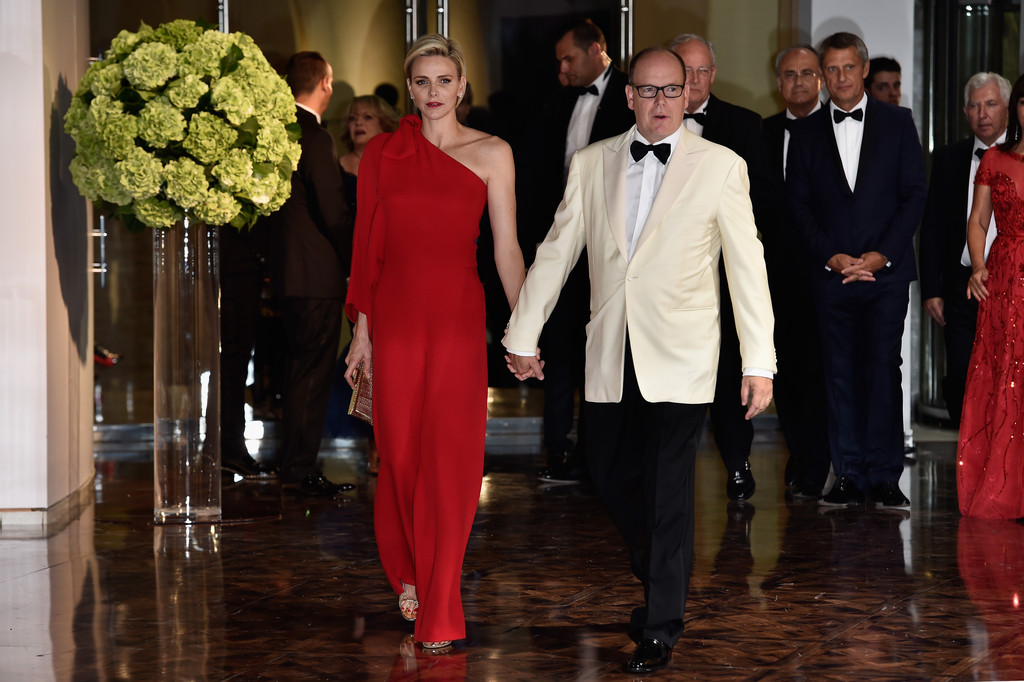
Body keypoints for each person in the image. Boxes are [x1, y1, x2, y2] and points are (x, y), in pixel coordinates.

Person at [504, 47, 775, 674]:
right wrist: (523, 334)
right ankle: (661, 574)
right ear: (628, 96)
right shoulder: (592, 161)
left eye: (671, 90)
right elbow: (557, 251)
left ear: (688, 94)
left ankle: (660, 624)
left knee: (668, 491)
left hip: (684, 356)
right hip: (610, 352)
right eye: (647, 91)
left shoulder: (721, 166)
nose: (660, 102)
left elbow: (748, 270)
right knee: (607, 474)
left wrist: (758, 362)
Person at [344, 34, 526, 650]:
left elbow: (506, 249)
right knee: (398, 457)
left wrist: (524, 327)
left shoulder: (492, 152)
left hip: (455, 317)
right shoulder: (383, 154)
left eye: (444, 80)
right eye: (421, 81)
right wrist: (361, 334)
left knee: (450, 460)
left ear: (462, 85)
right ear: (410, 87)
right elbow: (366, 250)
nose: (433, 92)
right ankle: (410, 570)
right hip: (394, 318)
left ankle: (441, 602)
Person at [786, 32, 926, 508]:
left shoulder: (898, 121)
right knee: (839, 372)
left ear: (864, 69)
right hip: (832, 275)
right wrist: (831, 256)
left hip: (886, 275)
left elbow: (914, 195)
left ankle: (885, 476)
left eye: (849, 67)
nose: (841, 77)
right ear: (823, 75)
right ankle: (846, 473)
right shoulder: (804, 132)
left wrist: (882, 255)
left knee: (884, 370)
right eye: (832, 69)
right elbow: (798, 205)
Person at [519, 18, 634, 484]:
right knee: (560, 346)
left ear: (595, 50)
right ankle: (557, 448)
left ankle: (599, 452)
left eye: (568, 59)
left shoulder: (632, 96)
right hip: (563, 242)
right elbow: (537, 173)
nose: (562, 69)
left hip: (611, 245)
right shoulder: (554, 101)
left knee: (603, 349)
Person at [671, 33, 780, 501]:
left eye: (702, 70)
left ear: (713, 75)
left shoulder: (744, 124)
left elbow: (763, 203)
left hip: (722, 273)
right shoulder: (646, 122)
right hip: (666, 279)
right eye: (685, 70)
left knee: (727, 374)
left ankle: (737, 463)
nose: (694, 79)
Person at [267, 51, 355, 496]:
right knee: (312, 374)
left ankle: (294, 463)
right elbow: (333, 212)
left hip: (289, 271)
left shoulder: (276, 132)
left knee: (298, 369)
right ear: (325, 83)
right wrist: (355, 261)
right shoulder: (315, 138)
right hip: (317, 275)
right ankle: (299, 467)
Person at [920, 72, 1009, 427]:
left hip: (1012, 281)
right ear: (964, 112)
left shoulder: (1020, 156)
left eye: (990, 104)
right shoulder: (948, 157)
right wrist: (932, 289)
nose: (982, 114)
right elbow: (932, 227)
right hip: (962, 286)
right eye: (974, 106)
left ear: (1007, 108)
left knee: (1007, 376)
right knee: (961, 373)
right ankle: (968, 443)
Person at [761, 45, 830, 499]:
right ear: (778, 82)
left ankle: (819, 461)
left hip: (828, 269)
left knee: (822, 370)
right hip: (776, 273)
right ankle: (800, 453)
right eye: (790, 74)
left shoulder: (836, 130)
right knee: (783, 370)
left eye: (807, 73)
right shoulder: (762, 132)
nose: (799, 82)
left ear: (820, 79)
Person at [957, 73, 1024, 520]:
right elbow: (979, 220)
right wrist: (978, 266)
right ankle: (1004, 488)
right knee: (1004, 376)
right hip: (1004, 280)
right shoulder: (995, 160)